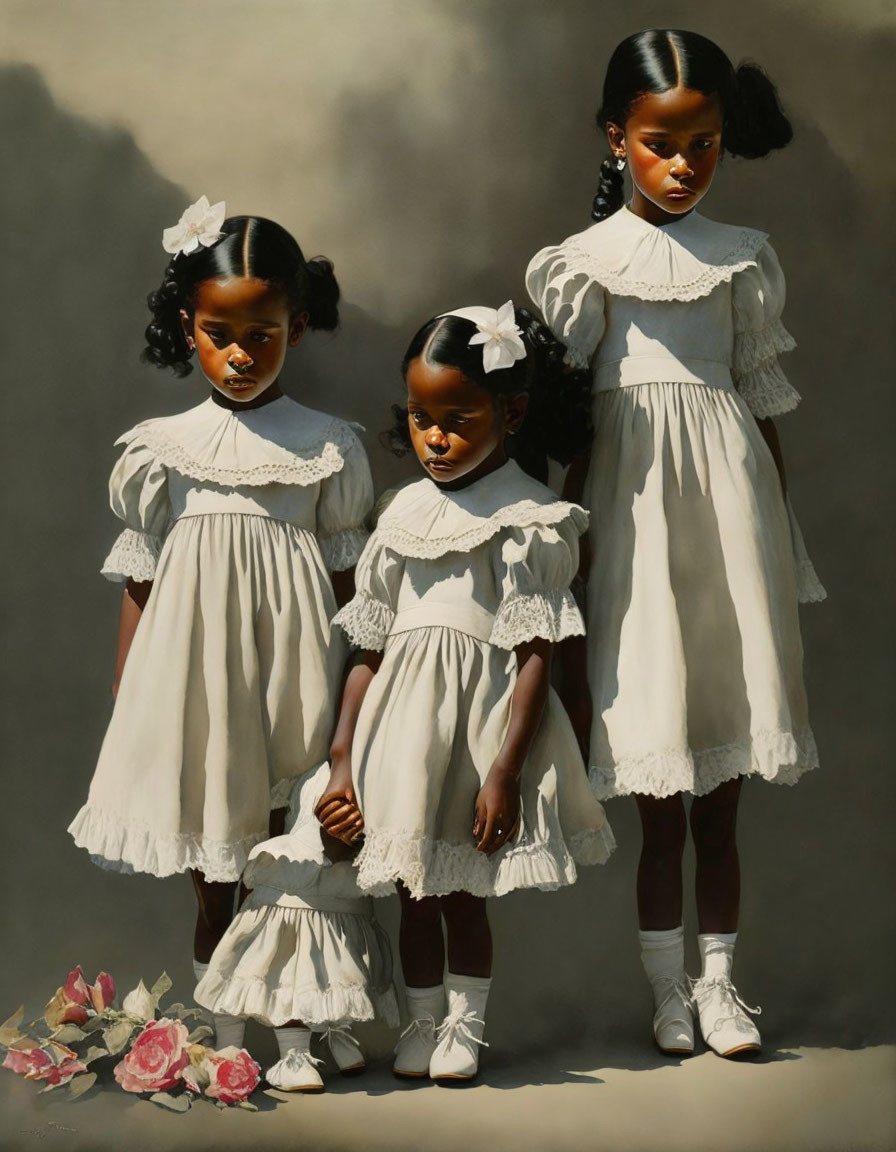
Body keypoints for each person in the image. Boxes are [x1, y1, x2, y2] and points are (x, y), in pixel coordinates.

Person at [526, 29, 825, 1059]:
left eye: (702, 143)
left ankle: (720, 985)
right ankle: (664, 991)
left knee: (723, 792)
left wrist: (773, 542)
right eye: (660, 142)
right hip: (632, 520)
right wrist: (564, 551)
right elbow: (559, 429)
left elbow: (759, 406)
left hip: (727, 524)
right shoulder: (580, 268)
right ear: (617, 138)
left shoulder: (740, 258)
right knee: (658, 782)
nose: (683, 163)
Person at [68, 197, 373, 1049]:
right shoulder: (161, 449)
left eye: (263, 336)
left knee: (291, 860)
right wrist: (134, 698)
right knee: (213, 866)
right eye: (219, 334)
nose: (240, 356)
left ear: (297, 328)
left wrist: (359, 707)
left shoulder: (327, 446)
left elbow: (360, 594)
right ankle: (222, 1037)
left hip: (296, 675)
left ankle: (306, 1018)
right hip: (195, 683)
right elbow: (141, 583)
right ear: (188, 325)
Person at [316, 303, 615, 1082]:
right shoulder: (401, 513)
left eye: (458, 418)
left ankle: (465, 1027)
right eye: (420, 418)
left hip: (478, 733)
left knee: (462, 895)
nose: (435, 438)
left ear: (512, 413)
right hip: (401, 733)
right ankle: (420, 1023)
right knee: (414, 890)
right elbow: (367, 648)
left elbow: (534, 654)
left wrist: (506, 771)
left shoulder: (530, 519)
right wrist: (343, 758)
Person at [195, 765, 398, 1093]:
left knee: (310, 938)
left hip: (334, 765)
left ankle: (317, 1037)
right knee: (296, 935)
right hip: (320, 768)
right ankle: (282, 1050)